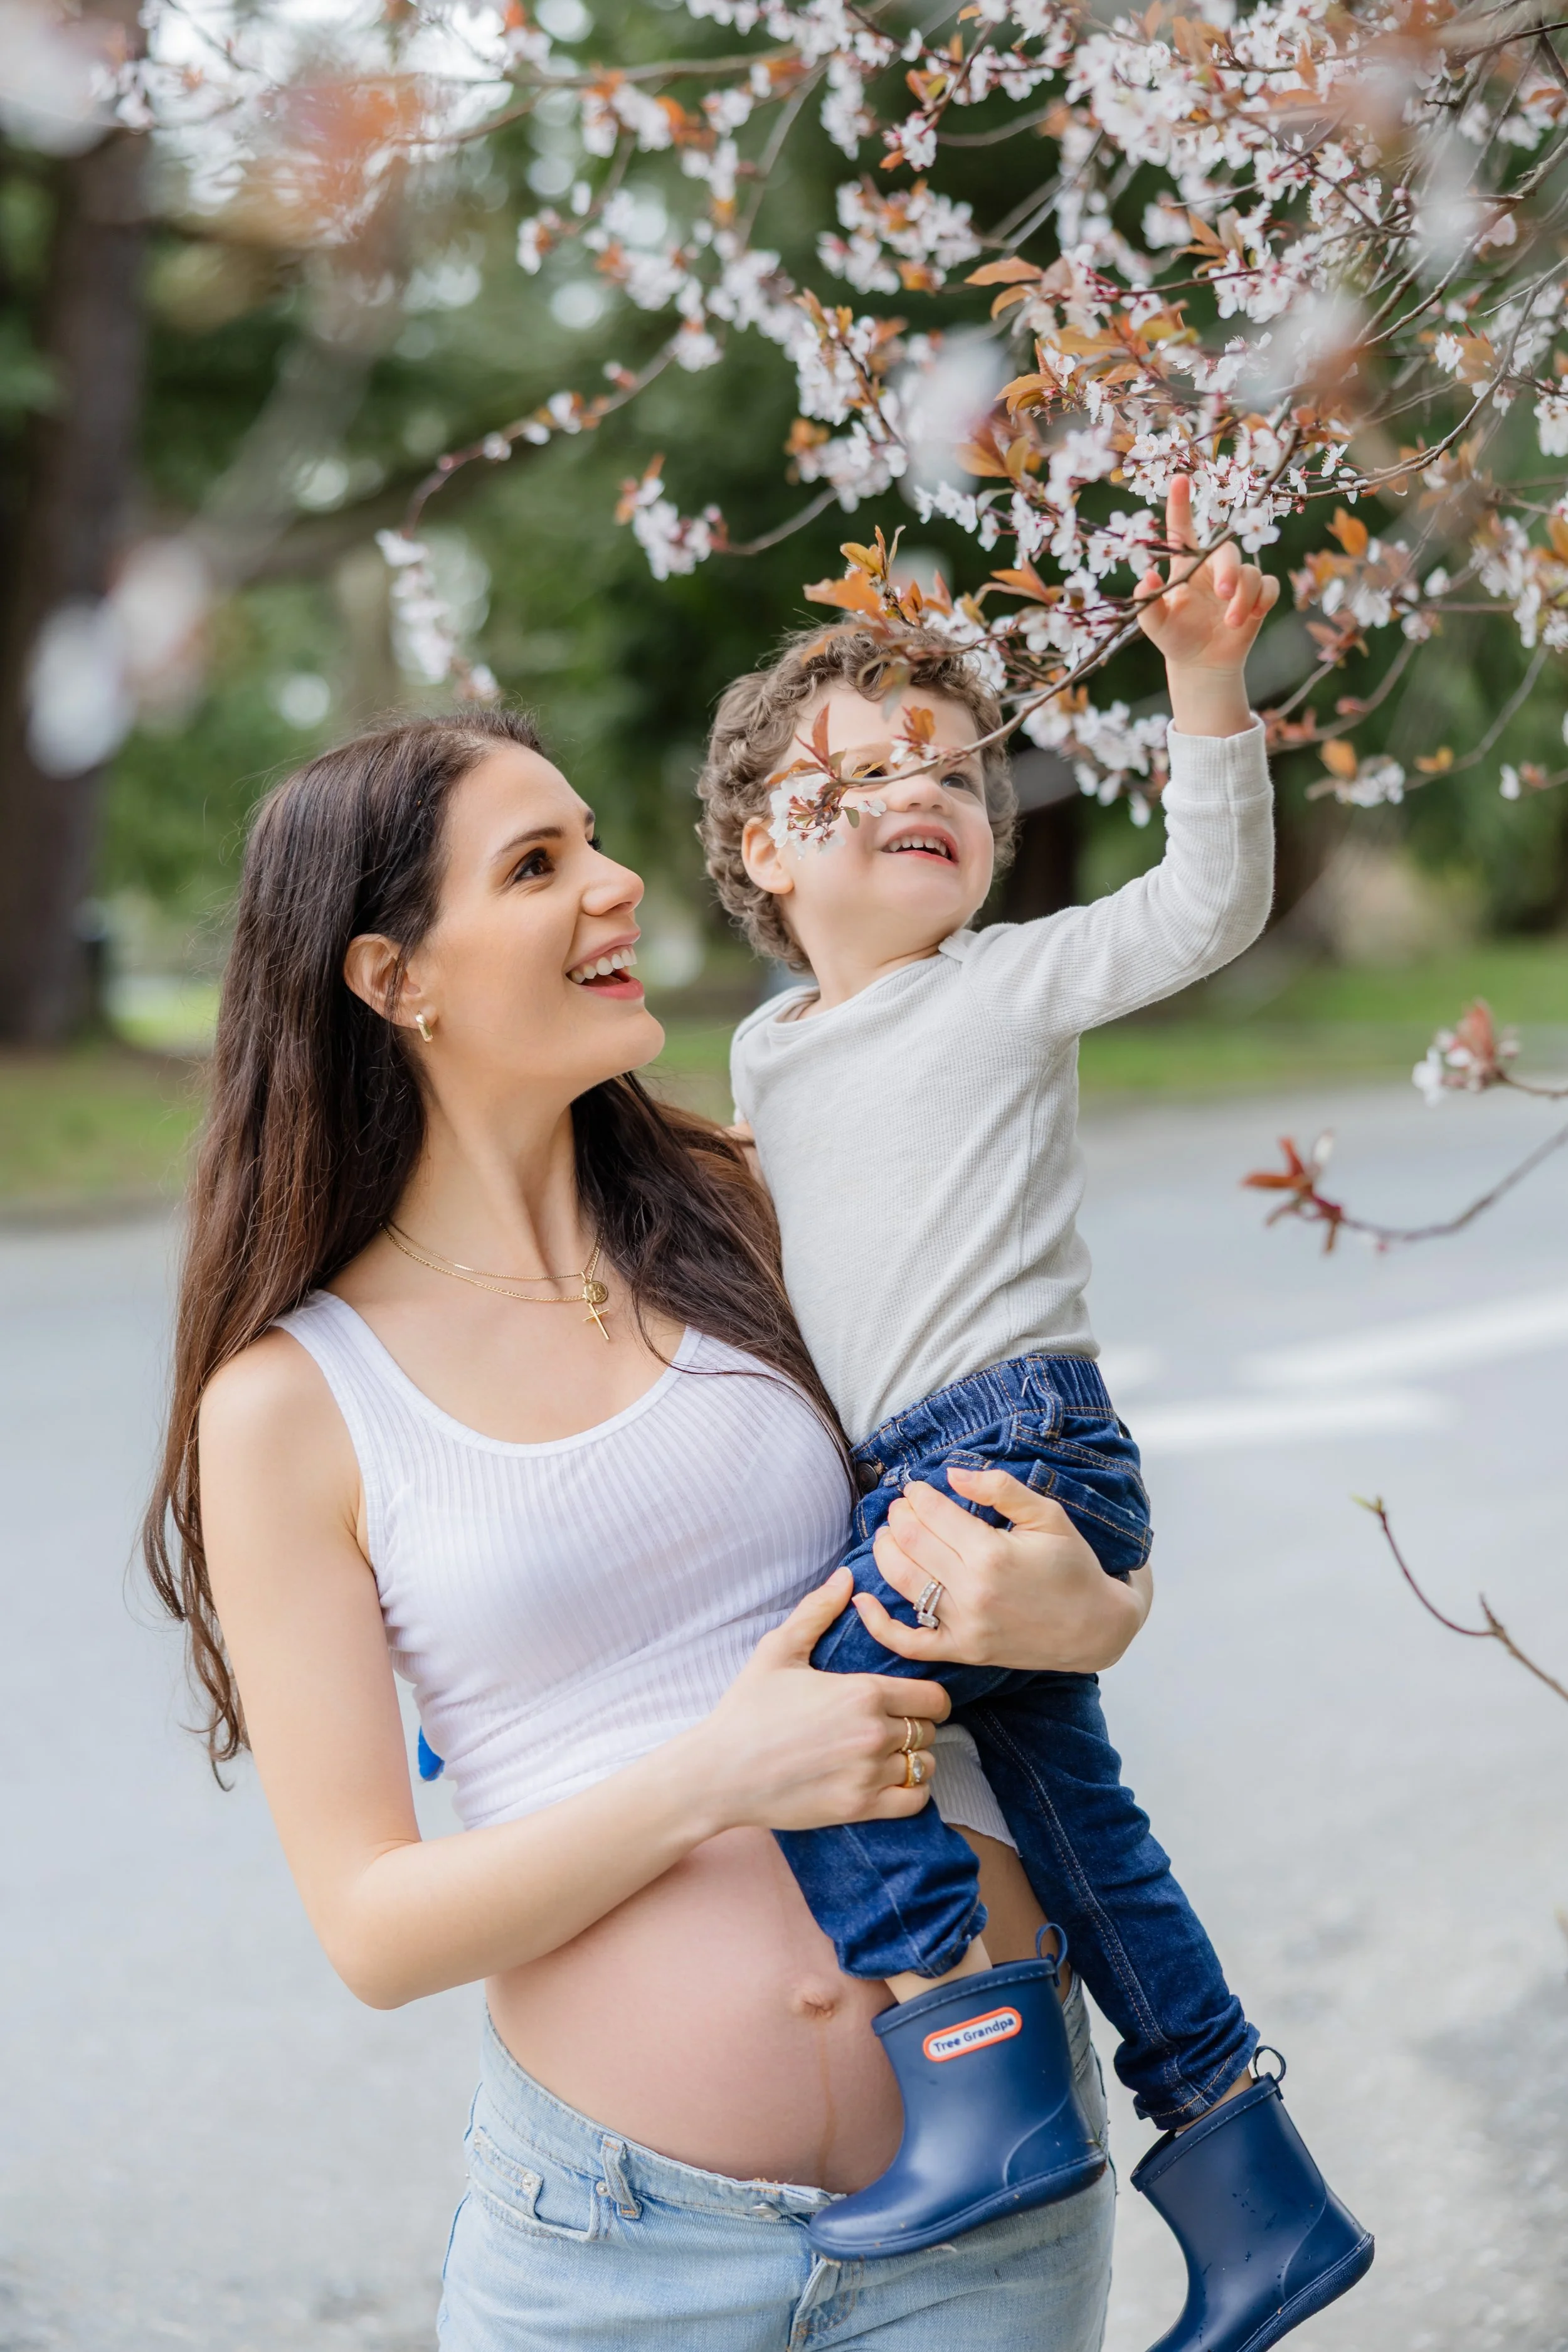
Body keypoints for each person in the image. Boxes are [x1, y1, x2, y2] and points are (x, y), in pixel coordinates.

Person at [142, 706, 1152, 2351]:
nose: (614, 884)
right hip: (620, 2253)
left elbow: (1056, 1479)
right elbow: (374, 1928)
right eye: (537, 864)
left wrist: (1094, 1611)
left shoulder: (759, 1207)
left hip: (990, 2184)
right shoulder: (290, 1403)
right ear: (395, 977)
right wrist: (715, 1771)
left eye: (594, 839)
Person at [699, 481, 1373, 2347]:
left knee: (811, 1721)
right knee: (1081, 1834)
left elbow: (1206, 904)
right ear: (768, 844)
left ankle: (980, 2089)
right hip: (928, 1460)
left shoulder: (1001, 985)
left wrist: (1204, 690)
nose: (930, 789)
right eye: (867, 772)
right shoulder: (768, 1047)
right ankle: (1258, 2197)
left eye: (958, 777)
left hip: (1013, 1449)